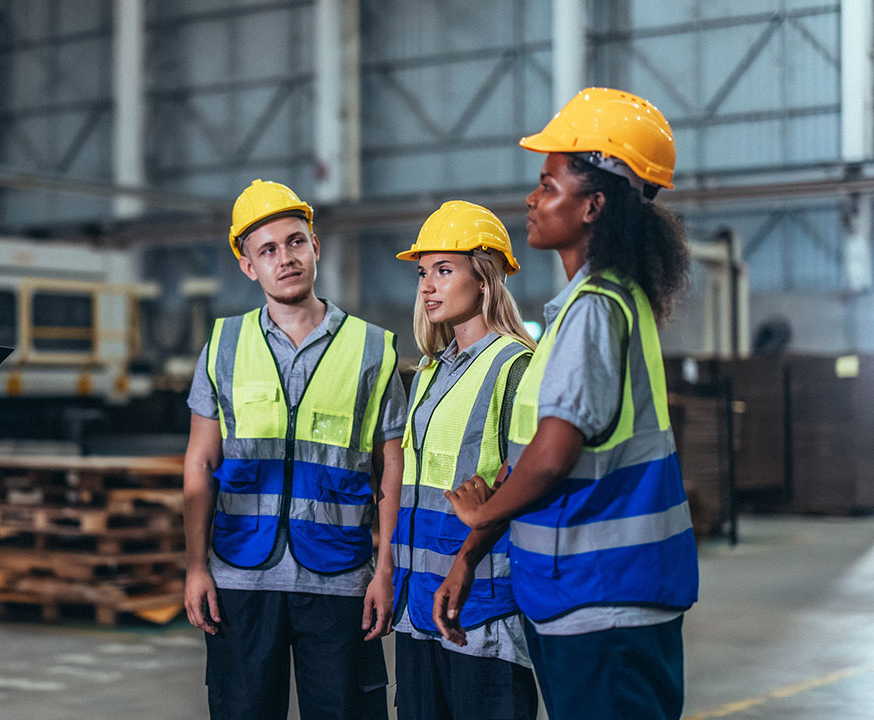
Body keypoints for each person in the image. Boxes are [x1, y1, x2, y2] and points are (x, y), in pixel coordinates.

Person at [436, 88, 699, 720]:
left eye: (548, 184)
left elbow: (553, 458)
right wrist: (471, 555)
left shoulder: (593, 312)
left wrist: (479, 517)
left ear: (593, 205)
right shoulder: (589, 312)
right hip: (582, 597)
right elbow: (535, 455)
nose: (532, 198)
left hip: (604, 602)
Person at [182, 179, 406, 719]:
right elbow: (200, 462)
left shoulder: (372, 348)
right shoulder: (223, 345)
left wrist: (384, 571)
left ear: (315, 247)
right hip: (240, 575)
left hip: (340, 578)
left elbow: (393, 466)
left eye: (295, 242)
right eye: (268, 249)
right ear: (247, 265)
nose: (285, 258)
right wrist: (195, 566)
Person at [390, 200, 538, 719]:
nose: (427, 285)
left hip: (483, 609)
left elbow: (525, 483)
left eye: (444, 271)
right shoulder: (428, 373)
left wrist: (465, 562)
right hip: (416, 607)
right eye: (422, 272)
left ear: (484, 279)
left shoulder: (514, 367)